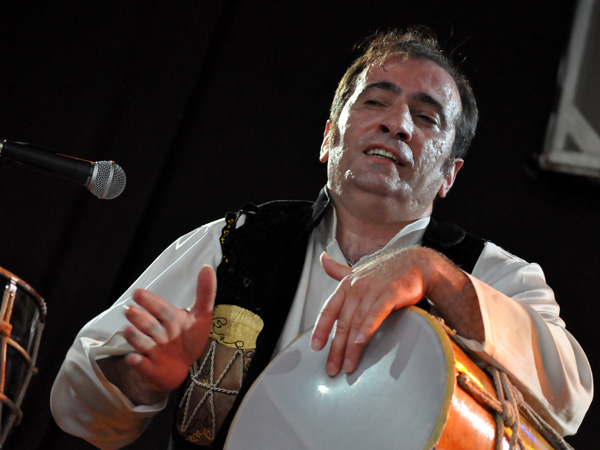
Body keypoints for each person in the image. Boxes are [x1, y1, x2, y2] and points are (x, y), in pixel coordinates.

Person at [50, 28, 593, 450]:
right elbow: (75, 403)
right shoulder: (236, 243)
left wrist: (432, 274)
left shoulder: (489, 273)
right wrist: (142, 380)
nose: (398, 124)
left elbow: (570, 396)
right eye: (374, 102)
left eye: (427, 117)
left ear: (450, 175)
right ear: (329, 138)